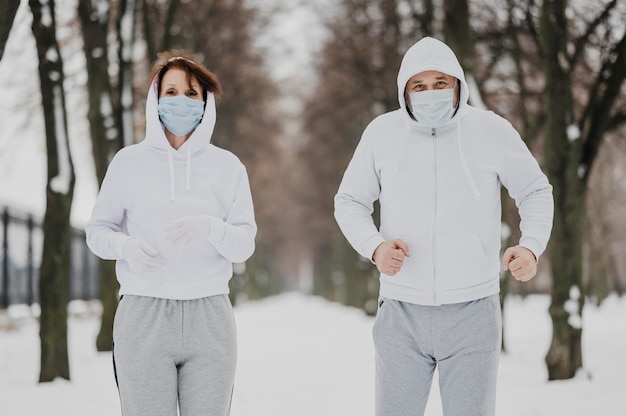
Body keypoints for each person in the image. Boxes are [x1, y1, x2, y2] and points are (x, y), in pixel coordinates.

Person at [334, 37, 553, 416]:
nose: (430, 93)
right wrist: (375, 246)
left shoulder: (491, 130)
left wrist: (531, 245)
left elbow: (535, 190)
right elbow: (349, 201)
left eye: (441, 83)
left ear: (458, 86)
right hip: (401, 312)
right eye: (419, 85)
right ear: (404, 90)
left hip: (474, 312)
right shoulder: (381, 133)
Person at [85, 51, 256, 416]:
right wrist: (125, 245)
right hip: (143, 314)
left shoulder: (228, 167)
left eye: (191, 93)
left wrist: (210, 227)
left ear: (206, 102)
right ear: (155, 99)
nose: (181, 100)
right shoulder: (128, 163)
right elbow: (97, 231)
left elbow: (244, 245)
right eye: (171, 91)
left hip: (209, 316)